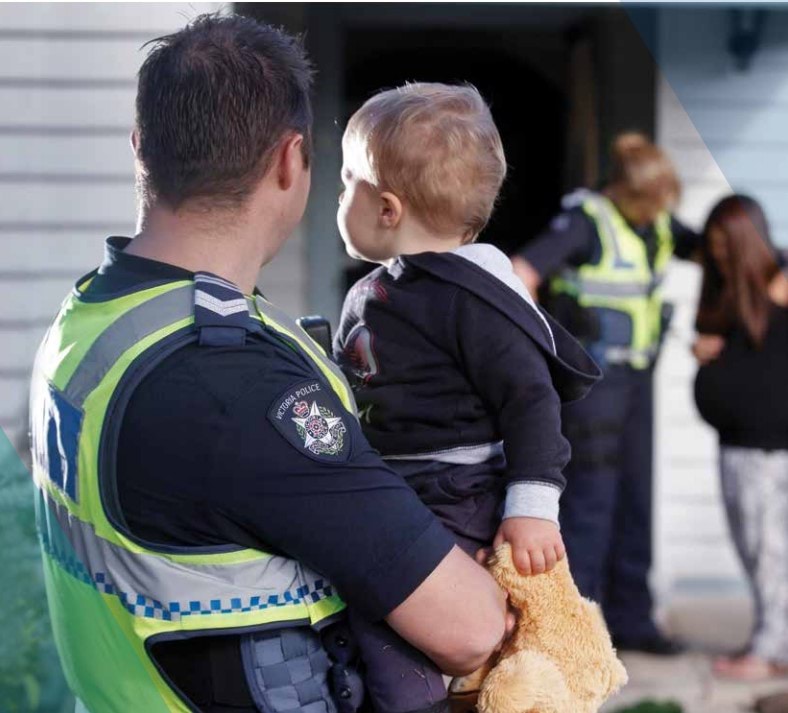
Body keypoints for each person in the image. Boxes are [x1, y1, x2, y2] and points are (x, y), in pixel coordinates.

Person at [28, 16, 510, 713]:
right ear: (291, 161)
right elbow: (470, 628)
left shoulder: (90, 321)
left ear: (142, 150)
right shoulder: (233, 385)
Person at [332, 83, 600, 713]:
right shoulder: (374, 292)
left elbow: (532, 401)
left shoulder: (474, 300)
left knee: (397, 627)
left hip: (455, 490)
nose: (338, 195)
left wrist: (533, 507)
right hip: (390, 485)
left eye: (348, 181)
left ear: (389, 209)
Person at [511, 132, 700, 655]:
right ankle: (577, 634)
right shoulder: (585, 221)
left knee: (636, 498)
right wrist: (536, 354)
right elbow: (521, 274)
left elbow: (721, 249)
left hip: (638, 380)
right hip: (593, 385)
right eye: (654, 202)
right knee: (591, 506)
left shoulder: (657, 222)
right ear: (629, 192)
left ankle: (632, 620)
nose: (661, 212)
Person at [693, 195, 788, 681]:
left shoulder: (779, 280)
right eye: (714, 248)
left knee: (770, 552)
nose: (721, 256)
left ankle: (771, 651)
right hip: (735, 444)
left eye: (728, 246)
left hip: (769, 449)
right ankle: (772, 642)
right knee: (754, 550)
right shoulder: (727, 293)